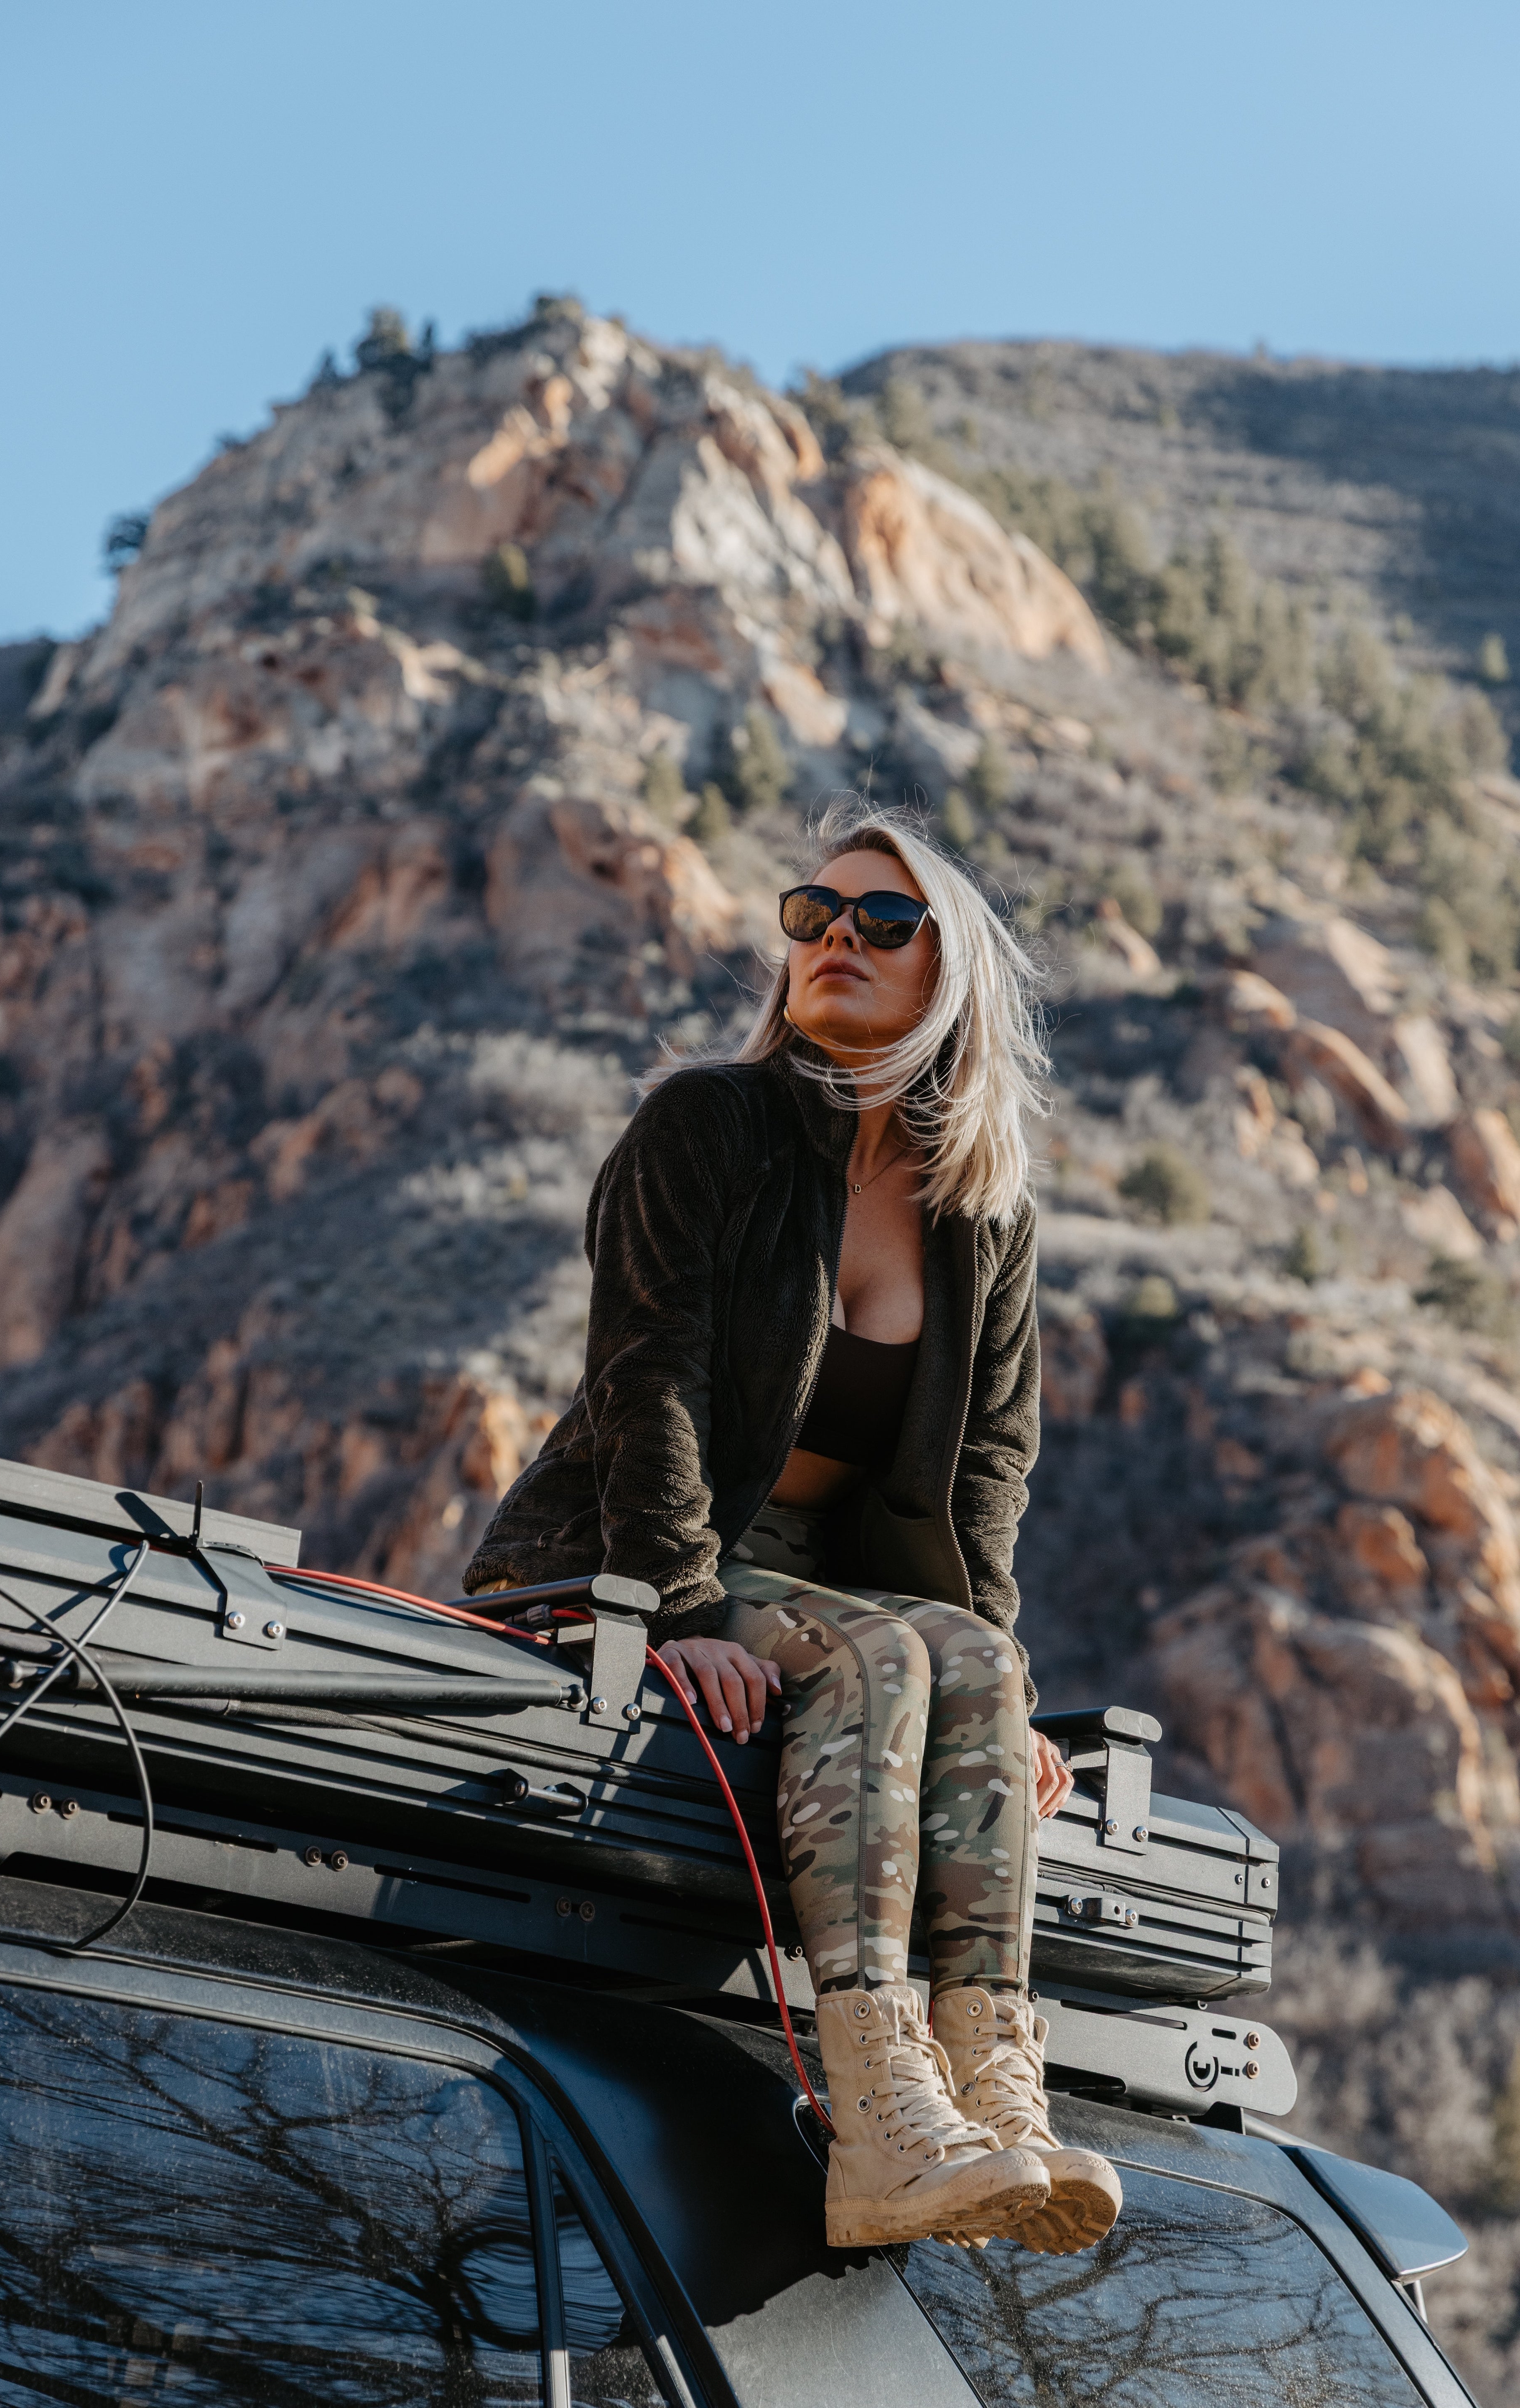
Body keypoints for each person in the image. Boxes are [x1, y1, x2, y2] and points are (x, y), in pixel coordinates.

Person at [466, 797, 1122, 2256]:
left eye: (884, 922)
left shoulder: (985, 1210)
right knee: (883, 1665)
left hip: (828, 1587)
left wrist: (996, 1687)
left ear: (949, 969)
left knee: (955, 1661)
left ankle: (998, 2093)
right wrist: (680, 1611)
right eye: (812, 914)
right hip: (622, 1555)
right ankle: (880, 2108)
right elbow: (650, 1377)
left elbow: (988, 1471)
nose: (836, 939)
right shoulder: (712, 1123)